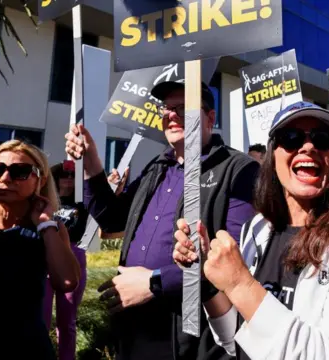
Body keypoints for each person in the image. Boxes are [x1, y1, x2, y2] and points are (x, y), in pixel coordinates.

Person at [173, 101, 329, 359]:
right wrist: (209, 282)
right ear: (273, 156)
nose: (308, 147)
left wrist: (240, 283)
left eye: (322, 138)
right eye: (291, 138)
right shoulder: (257, 229)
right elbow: (235, 339)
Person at [64, 81, 259, 360]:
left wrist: (154, 283)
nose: (172, 115)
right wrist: (92, 161)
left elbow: (233, 258)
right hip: (134, 327)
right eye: (167, 109)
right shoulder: (158, 166)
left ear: (210, 118)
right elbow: (111, 219)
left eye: (184, 108)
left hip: (190, 336)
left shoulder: (238, 170)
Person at [0, 140, 80, 359]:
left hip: (24, 347)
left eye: (20, 172)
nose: (5, 178)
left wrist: (44, 223)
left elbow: (67, 282)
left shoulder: (48, 229)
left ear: (39, 181)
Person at [43, 160, 90, 360]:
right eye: (64, 175)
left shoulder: (82, 202)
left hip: (73, 255)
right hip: (46, 257)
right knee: (41, 318)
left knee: (67, 320)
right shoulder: (44, 201)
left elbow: (103, 198)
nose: (69, 180)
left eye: (73, 176)